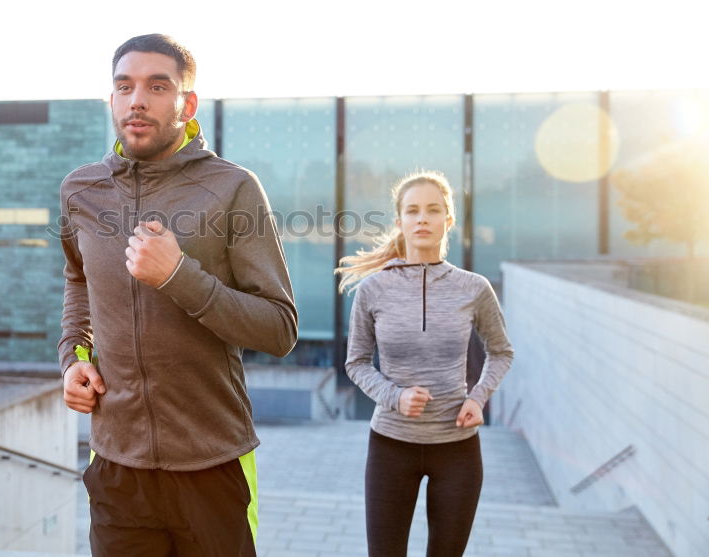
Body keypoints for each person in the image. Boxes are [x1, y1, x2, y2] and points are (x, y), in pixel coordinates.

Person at [57, 34, 298, 557]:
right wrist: (73, 358)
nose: (136, 100)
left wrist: (178, 276)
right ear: (112, 99)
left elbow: (279, 329)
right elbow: (78, 281)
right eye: (124, 86)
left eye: (156, 86)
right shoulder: (80, 190)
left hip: (211, 466)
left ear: (186, 105)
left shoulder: (232, 188)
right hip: (116, 467)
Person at [338, 170, 514, 557]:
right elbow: (356, 362)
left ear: (448, 220)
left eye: (433, 211)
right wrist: (394, 396)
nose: (422, 219)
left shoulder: (474, 288)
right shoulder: (373, 289)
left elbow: (502, 351)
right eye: (412, 211)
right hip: (390, 446)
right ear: (399, 220)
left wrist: (478, 398)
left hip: (457, 449)